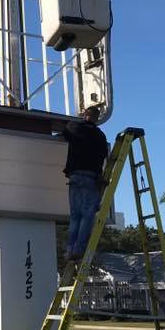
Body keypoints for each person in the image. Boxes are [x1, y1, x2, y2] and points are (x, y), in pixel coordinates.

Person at [62, 106, 110, 261]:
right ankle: (78, 249)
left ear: (84, 115)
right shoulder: (100, 135)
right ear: (97, 118)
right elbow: (103, 156)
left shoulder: (74, 127)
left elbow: (64, 134)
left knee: (75, 216)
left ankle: (70, 249)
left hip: (75, 176)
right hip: (91, 177)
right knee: (87, 216)